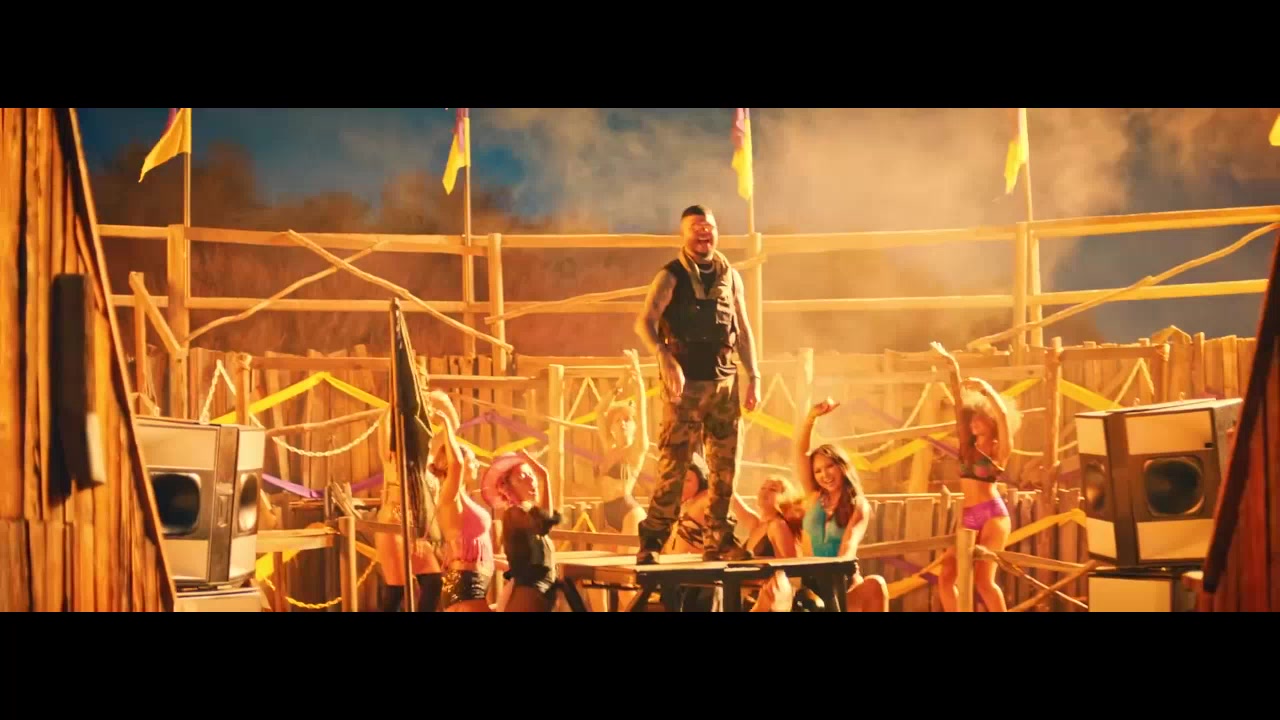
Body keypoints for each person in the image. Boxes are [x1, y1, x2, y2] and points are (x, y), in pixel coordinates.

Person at [633, 204, 761, 564]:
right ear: (683, 234)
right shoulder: (670, 276)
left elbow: (743, 328)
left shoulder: (730, 276)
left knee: (725, 470)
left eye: (709, 227)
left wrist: (754, 375)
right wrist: (664, 356)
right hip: (685, 388)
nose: (704, 233)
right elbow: (644, 322)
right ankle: (653, 541)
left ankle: (717, 540)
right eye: (696, 227)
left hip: (724, 384)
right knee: (674, 467)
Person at [929, 343, 1021, 612]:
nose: (973, 423)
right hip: (968, 516)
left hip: (992, 515)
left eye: (979, 418)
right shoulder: (966, 447)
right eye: (972, 419)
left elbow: (1003, 415)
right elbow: (959, 403)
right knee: (946, 577)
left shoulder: (1000, 450)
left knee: (984, 581)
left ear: (990, 422)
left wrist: (986, 389)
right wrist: (953, 367)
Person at [794, 399, 889, 612]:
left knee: (877, 584)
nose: (824, 475)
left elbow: (848, 548)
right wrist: (811, 418)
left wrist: (835, 584)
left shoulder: (858, 505)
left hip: (842, 581)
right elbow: (801, 455)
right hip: (812, 584)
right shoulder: (814, 497)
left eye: (830, 466)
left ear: (842, 467)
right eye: (818, 471)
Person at [428, 402, 495, 612]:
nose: (477, 464)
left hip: (470, 583)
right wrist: (446, 424)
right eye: (472, 460)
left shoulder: (464, 499)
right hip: (466, 583)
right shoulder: (450, 497)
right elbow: (456, 463)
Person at [482, 450, 562, 612]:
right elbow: (543, 522)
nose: (531, 479)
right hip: (528, 593)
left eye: (531, 474)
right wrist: (544, 476)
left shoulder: (527, 514)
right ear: (508, 487)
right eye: (521, 477)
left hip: (539, 593)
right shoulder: (514, 514)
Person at [592, 349, 649, 540]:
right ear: (612, 428)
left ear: (634, 426)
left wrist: (638, 379)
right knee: (600, 556)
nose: (622, 423)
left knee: (626, 557)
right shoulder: (609, 448)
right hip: (609, 515)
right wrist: (619, 384)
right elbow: (599, 412)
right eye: (617, 421)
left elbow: (642, 410)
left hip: (629, 513)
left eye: (627, 419)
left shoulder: (636, 450)